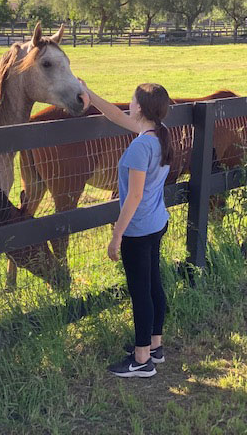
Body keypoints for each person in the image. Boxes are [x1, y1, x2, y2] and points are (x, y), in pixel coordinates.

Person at [80, 81, 173, 378]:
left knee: (140, 293)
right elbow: (118, 117)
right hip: (157, 222)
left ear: (141, 108)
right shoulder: (159, 135)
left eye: (131, 101)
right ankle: (155, 346)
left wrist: (117, 235)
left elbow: (133, 197)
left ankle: (141, 359)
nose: (128, 105)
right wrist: (91, 95)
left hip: (138, 229)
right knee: (153, 284)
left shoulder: (138, 147)